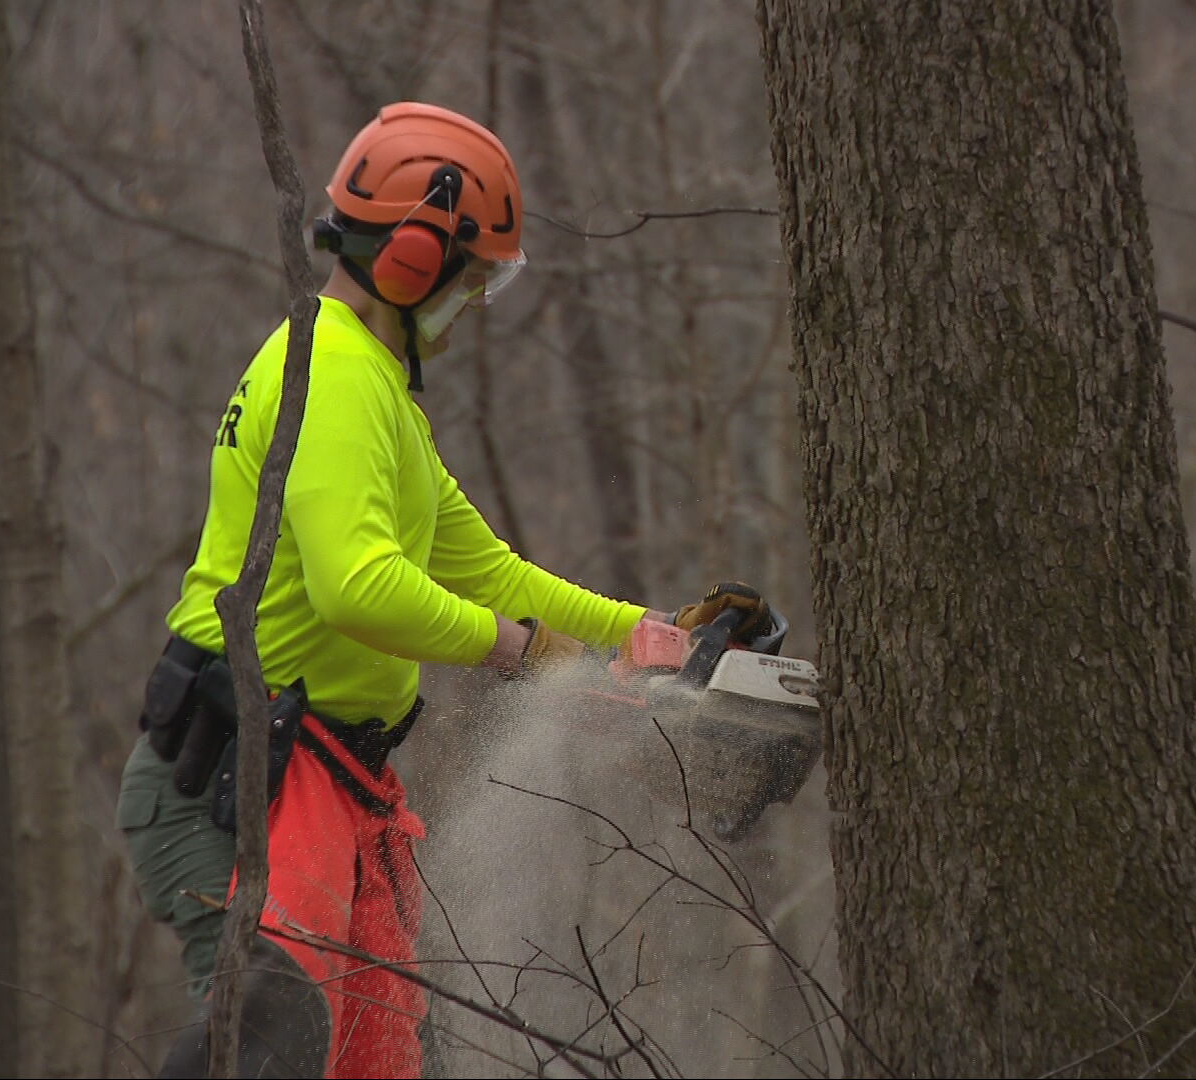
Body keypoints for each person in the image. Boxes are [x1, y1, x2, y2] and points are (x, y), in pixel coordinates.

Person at [116, 102, 774, 1079]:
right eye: (470, 279)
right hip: (243, 777)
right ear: (415, 256)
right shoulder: (331, 374)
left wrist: (641, 635)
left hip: (335, 779)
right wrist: (519, 652)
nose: (470, 304)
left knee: (377, 1055)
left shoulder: (377, 390)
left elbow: (492, 570)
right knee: (268, 1040)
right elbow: (358, 588)